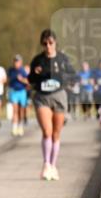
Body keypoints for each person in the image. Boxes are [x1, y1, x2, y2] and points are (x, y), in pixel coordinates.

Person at [29, 29, 76, 181]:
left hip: (59, 96)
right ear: (42, 44)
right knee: (47, 131)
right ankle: (46, 164)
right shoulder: (38, 60)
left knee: (56, 133)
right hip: (42, 97)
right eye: (45, 43)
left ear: (55, 43)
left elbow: (73, 75)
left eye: (50, 43)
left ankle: (53, 166)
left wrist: (65, 78)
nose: (48, 46)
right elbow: (30, 79)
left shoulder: (63, 59)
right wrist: (35, 74)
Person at [8, 54, 31, 136]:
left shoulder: (23, 71)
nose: (16, 63)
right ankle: (14, 128)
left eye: (17, 62)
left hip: (22, 92)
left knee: (21, 110)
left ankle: (20, 127)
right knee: (15, 110)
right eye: (15, 61)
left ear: (20, 62)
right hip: (14, 91)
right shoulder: (11, 70)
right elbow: (8, 80)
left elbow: (27, 81)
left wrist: (21, 79)